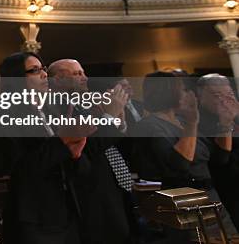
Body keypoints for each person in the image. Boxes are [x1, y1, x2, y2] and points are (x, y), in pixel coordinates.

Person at [0, 52, 88, 244]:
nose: (44, 74)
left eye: (43, 69)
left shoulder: (51, 109)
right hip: (32, 218)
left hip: (66, 211)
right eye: (34, 70)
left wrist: (75, 155)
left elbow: (75, 166)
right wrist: (63, 142)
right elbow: (15, 167)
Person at [132, 71, 237, 243]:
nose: (190, 94)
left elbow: (220, 158)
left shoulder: (182, 120)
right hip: (184, 206)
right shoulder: (148, 126)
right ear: (168, 93)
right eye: (183, 89)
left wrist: (225, 124)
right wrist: (192, 124)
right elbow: (179, 164)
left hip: (210, 200)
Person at [47, 59, 133, 244]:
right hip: (86, 189)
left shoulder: (85, 104)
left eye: (84, 72)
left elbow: (108, 139)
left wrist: (119, 118)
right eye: (77, 74)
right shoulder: (54, 107)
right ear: (57, 80)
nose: (84, 78)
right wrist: (109, 116)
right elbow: (88, 146)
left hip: (111, 183)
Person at [195, 74, 239, 229]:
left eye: (229, 95)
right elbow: (220, 159)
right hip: (226, 189)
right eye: (217, 95)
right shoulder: (197, 121)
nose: (224, 100)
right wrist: (225, 123)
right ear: (200, 97)